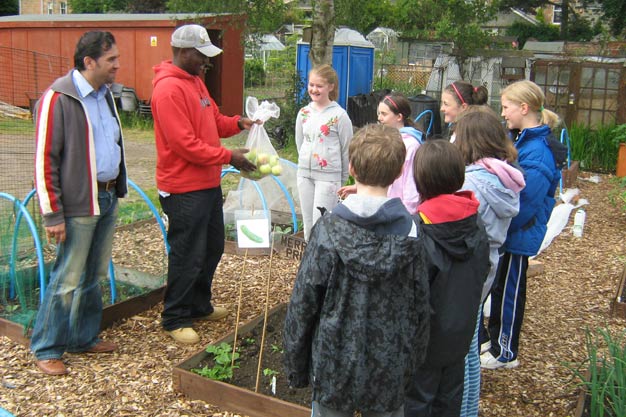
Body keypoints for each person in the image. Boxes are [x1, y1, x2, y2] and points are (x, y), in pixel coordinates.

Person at [284, 123, 430, 417]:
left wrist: (296, 366)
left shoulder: (328, 230)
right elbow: (420, 308)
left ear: (351, 167)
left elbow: (303, 303)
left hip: (334, 362)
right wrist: (410, 364)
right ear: (400, 171)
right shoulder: (412, 232)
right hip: (388, 365)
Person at [151, 24, 258, 344]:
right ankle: (175, 316)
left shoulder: (195, 82)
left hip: (206, 184)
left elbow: (212, 121)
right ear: (183, 52)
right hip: (183, 187)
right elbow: (184, 144)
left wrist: (238, 122)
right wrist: (230, 157)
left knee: (211, 247)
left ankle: (199, 304)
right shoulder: (168, 90)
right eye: (201, 56)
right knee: (187, 253)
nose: (205, 63)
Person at [31, 31, 128, 376]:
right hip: (76, 205)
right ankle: (47, 347)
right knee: (67, 278)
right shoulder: (58, 98)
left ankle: (83, 337)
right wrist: (52, 214)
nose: (118, 65)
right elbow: (45, 160)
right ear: (89, 62)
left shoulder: (105, 96)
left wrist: (116, 186)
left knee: (94, 274)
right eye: (111, 59)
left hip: (105, 196)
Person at [480, 80, 563, 369]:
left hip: (518, 233)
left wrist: (499, 225)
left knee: (510, 292)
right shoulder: (522, 140)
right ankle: (494, 340)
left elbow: (525, 204)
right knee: (500, 288)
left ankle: (506, 351)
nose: (502, 114)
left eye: (506, 107)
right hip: (509, 232)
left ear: (523, 108)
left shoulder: (537, 152)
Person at [405, 140, 490, 417]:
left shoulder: (419, 230)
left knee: (417, 401)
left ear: (420, 178)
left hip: (425, 342)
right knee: (449, 400)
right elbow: (483, 271)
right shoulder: (475, 222)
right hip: (460, 334)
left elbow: (411, 291)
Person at [453, 108, 525, 417]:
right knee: (469, 338)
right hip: (489, 263)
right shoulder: (503, 175)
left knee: (458, 347)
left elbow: (457, 233)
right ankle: (469, 407)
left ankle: (463, 408)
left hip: (467, 270)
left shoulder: (471, 182)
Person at [338, 92, 423, 213]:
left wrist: (407, 214)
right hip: (385, 208)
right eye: (378, 113)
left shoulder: (411, 145)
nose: (379, 118)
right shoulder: (386, 139)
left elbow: (411, 186)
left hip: (399, 212)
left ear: (399, 117)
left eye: (384, 114)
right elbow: (381, 174)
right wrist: (360, 188)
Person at [296, 64, 353, 240]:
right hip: (305, 175)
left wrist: (342, 178)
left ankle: (323, 264)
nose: (314, 89)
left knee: (321, 224)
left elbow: (347, 149)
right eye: (311, 85)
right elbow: (300, 142)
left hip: (329, 177)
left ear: (330, 87)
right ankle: (309, 261)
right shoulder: (304, 113)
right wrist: (304, 163)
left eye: (319, 86)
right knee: (307, 224)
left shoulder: (339, 115)